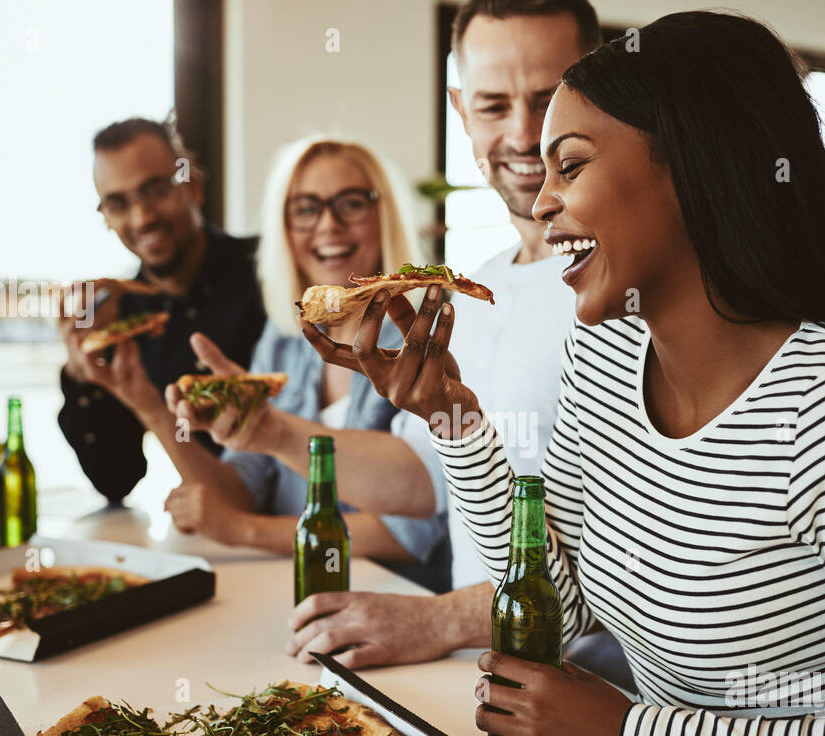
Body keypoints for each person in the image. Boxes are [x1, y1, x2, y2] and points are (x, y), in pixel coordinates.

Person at [307, 11, 825, 736]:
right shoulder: (608, 354)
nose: (542, 204)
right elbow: (560, 601)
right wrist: (452, 419)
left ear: (689, 165)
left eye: (569, 165)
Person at [173, 0, 631, 680]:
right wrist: (268, 432)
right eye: (493, 104)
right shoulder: (473, 292)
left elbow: (631, 565)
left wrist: (436, 618)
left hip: (600, 701)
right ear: (459, 106)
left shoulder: (635, 290)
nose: (527, 132)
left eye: (549, 100)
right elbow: (427, 485)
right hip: (478, 683)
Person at [88, 135, 448, 593]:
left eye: (351, 203)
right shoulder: (284, 339)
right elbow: (242, 489)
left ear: (385, 212)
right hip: (291, 592)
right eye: (305, 209)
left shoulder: (426, 336)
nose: (328, 225)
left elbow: (411, 532)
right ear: (284, 228)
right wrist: (145, 401)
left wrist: (243, 530)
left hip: (398, 600)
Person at [58, 117, 268, 504]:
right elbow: (116, 480)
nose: (142, 218)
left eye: (154, 191)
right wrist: (81, 375)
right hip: (209, 535)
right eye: (118, 203)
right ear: (105, 217)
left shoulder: (271, 270)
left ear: (193, 186)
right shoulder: (119, 320)